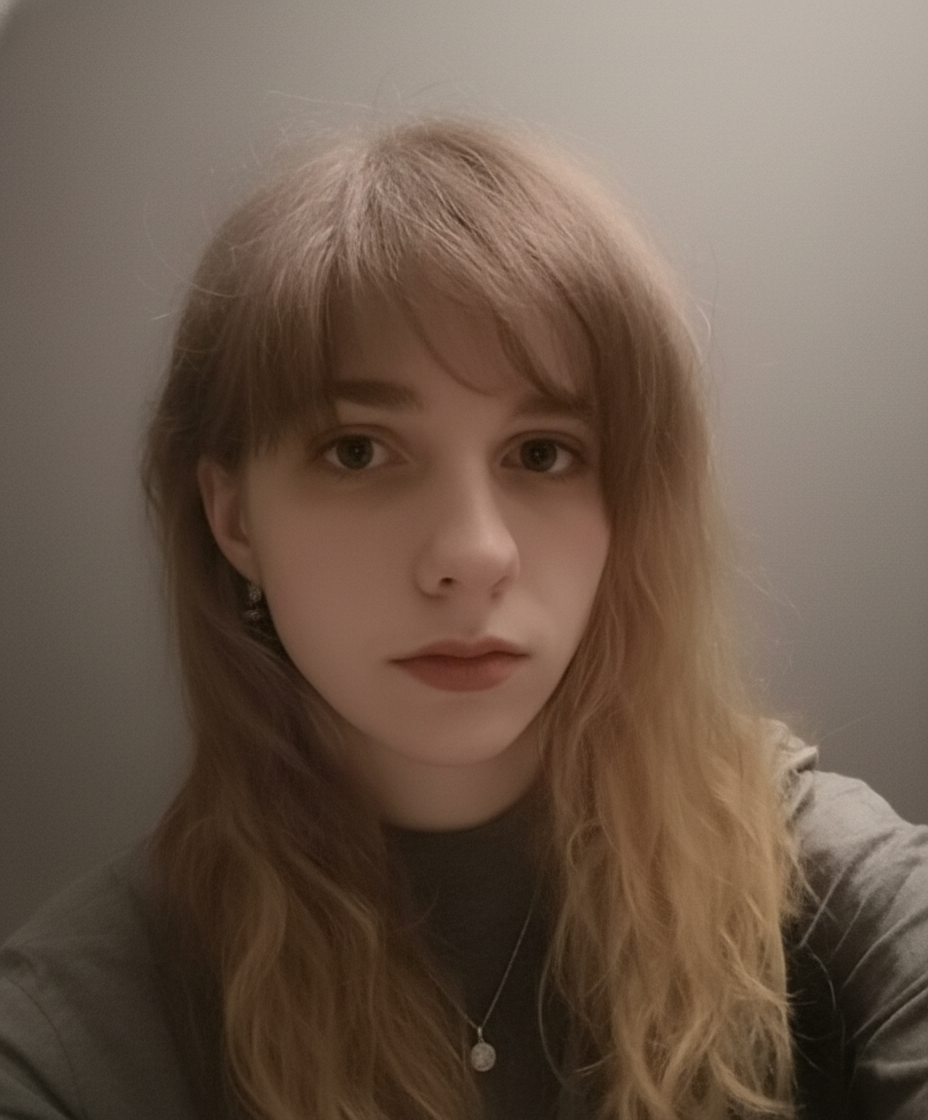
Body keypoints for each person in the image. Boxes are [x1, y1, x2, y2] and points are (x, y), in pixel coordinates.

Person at [1, 117, 926, 1120]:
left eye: (541, 453)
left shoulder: (830, 888)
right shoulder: (77, 1028)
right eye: (358, 450)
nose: (474, 553)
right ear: (234, 519)